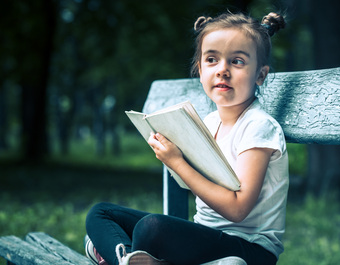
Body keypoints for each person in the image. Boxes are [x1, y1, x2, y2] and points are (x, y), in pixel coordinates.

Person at [85, 11, 289, 265]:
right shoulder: (209, 122)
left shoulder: (258, 126)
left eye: (237, 62)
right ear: (200, 69)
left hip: (249, 249)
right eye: (212, 59)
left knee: (151, 228)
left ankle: (121, 255)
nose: (222, 70)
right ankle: (131, 259)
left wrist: (177, 162)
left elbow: (238, 209)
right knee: (101, 213)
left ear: (260, 75)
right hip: (204, 239)